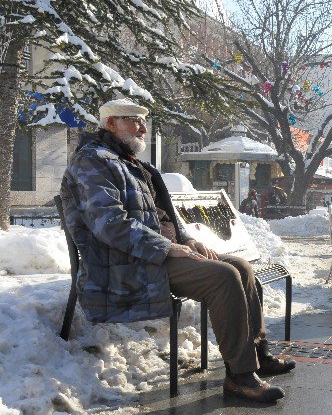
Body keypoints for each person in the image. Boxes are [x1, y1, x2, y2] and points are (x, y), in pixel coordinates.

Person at [59, 99, 294, 403]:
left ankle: (258, 354)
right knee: (223, 277)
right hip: (124, 263)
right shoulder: (92, 161)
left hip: (158, 253)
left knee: (241, 267)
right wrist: (169, 248)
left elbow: (161, 215)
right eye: (134, 121)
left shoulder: (131, 162)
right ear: (110, 123)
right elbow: (111, 225)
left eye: (144, 122)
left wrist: (187, 241)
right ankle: (240, 376)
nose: (142, 128)